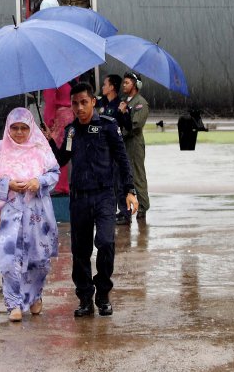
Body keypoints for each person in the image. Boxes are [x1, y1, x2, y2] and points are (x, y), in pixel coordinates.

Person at [45, 82, 138, 317]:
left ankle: (103, 293)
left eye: (84, 102)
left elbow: (122, 159)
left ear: (93, 102)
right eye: (75, 103)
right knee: (80, 250)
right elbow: (61, 160)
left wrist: (130, 190)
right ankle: (85, 297)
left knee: (106, 243)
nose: (79, 108)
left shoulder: (107, 127)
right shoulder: (71, 131)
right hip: (79, 198)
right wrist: (48, 141)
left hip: (104, 195)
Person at [0, 108, 59, 322]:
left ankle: (34, 295)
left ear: (31, 128)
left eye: (24, 128)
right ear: (8, 128)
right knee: (9, 258)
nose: (19, 132)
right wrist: (8, 184)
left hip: (38, 213)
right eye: (14, 128)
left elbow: (55, 174)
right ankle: (13, 302)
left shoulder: (41, 148)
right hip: (9, 213)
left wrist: (38, 182)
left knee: (39, 258)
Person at [98, 74, 132, 224]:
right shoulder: (103, 103)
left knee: (120, 181)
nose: (103, 87)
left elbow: (128, 126)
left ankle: (126, 213)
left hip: (116, 149)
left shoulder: (121, 104)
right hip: (105, 151)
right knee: (110, 181)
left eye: (105, 84)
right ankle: (118, 210)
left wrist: (123, 112)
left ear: (112, 87)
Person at [117, 72, 151, 222]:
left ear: (136, 85)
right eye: (123, 83)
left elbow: (135, 125)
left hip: (134, 144)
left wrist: (124, 115)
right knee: (124, 176)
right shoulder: (124, 101)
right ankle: (127, 207)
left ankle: (143, 206)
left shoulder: (140, 103)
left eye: (127, 83)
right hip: (123, 143)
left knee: (137, 176)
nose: (124, 85)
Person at [43, 82, 73, 194]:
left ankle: (60, 185)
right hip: (71, 114)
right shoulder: (71, 74)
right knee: (68, 149)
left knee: (58, 151)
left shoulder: (51, 80)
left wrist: (48, 121)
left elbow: (50, 99)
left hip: (60, 115)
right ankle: (65, 184)